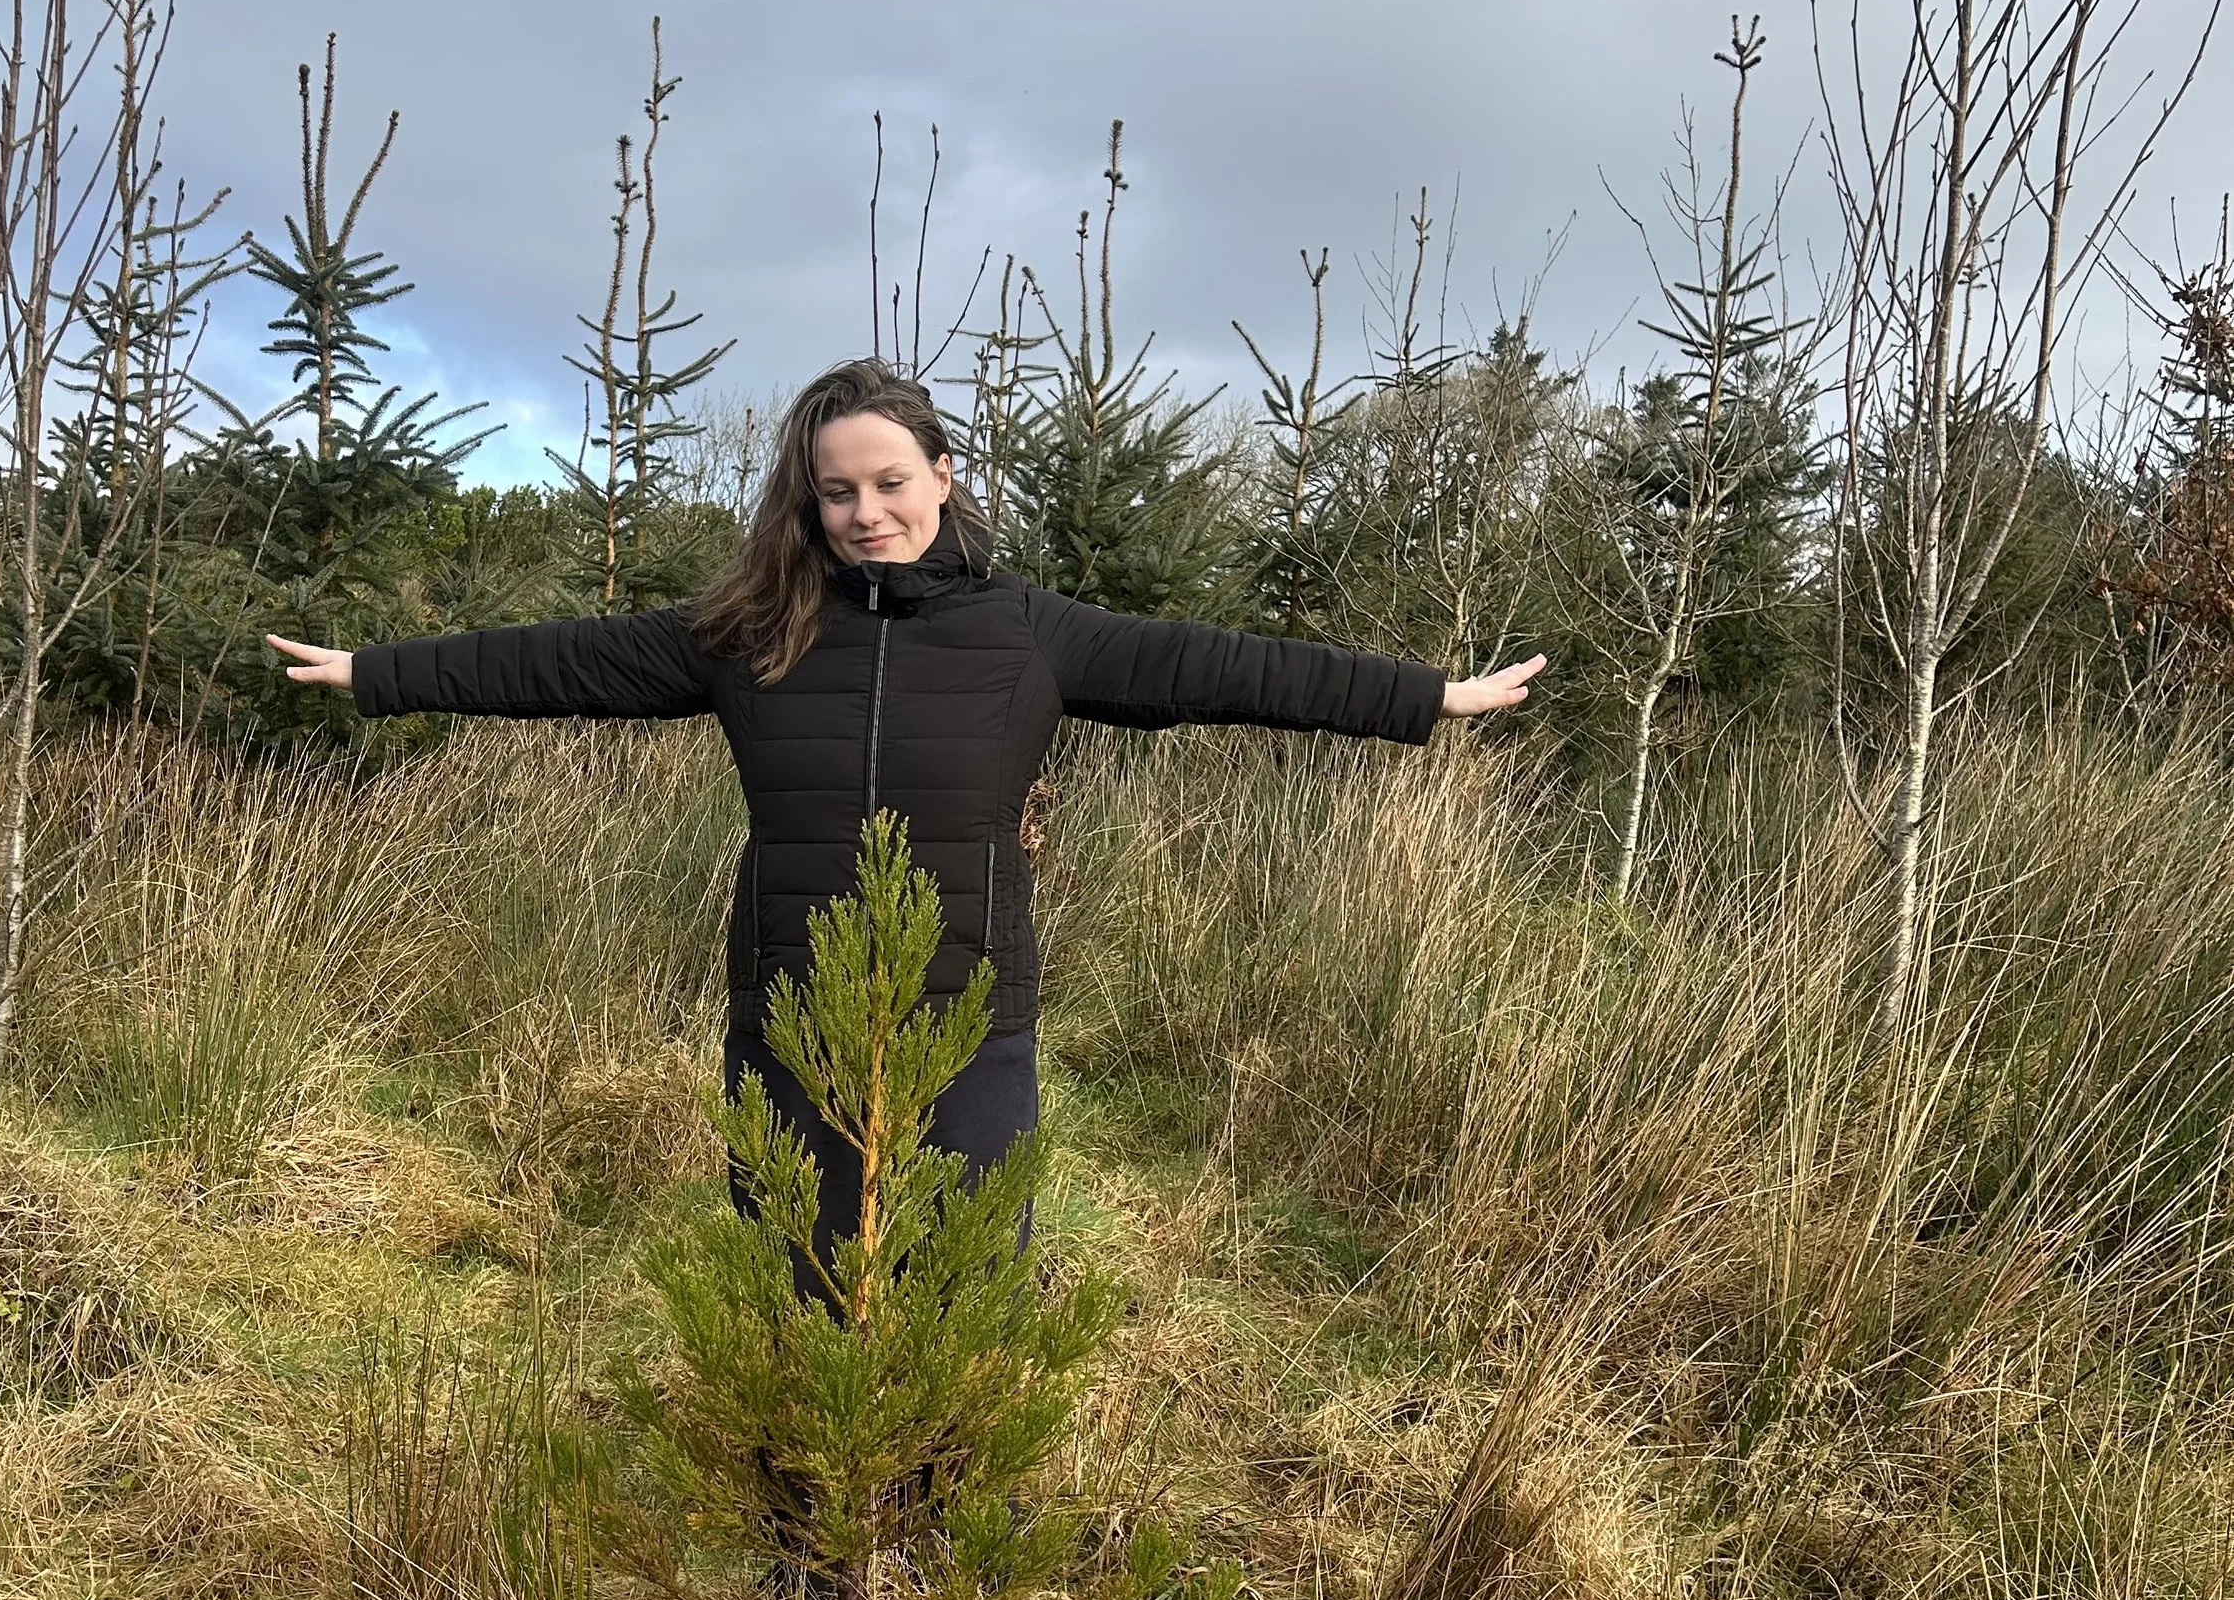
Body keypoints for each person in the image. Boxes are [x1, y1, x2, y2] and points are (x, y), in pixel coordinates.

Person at [268, 356, 1544, 1259]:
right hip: (788, 1010)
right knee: (793, 1284)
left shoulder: (1029, 633)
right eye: (836, 493)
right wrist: (374, 673)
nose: (866, 513)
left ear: (941, 472)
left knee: (967, 1283)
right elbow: (557, 663)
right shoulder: (748, 631)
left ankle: (934, 1561)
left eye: (889, 482)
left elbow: (1226, 668)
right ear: (807, 503)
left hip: (970, 1016)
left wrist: (1424, 697)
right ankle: (805, 1562)